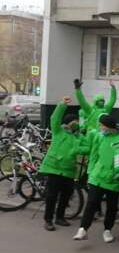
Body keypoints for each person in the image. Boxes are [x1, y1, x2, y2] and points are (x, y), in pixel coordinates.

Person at [73, 113, 119, 242]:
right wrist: (90, 173)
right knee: (91, 203)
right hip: (97, 177)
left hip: (114, 179)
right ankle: (83, 229)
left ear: (109, 127)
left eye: (102, 125)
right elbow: (94, 155)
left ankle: (107, 230)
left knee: (112, 207)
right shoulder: (99, 137)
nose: (100, 128)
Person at [40, 97, 84, 231]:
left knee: (66, 195)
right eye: (74, 122)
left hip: (69, 170)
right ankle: (48, 220)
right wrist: (62, 105)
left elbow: (85, 146)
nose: (76, 124)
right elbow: (55, 118)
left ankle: (60, 217)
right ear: (68, 123)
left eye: (77, 122)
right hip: (54, 168)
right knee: (52, 196)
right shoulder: (58, 131)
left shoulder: (77, 137)